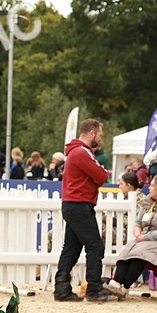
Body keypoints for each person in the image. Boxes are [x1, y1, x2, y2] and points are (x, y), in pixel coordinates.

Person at [103, 174, 157, 299]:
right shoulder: (150, 202)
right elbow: (138, 222)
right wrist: (138, 234)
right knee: (128, 249)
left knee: (141, 251)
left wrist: (146, 237)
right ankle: (115, 283)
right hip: (148, 238)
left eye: (152, 185)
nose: (148, 188)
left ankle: (125, 287)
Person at [55, 119, 113, 302]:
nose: (101, 140)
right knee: (95, 245)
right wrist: (98, 177)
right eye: (100, 136)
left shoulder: (74, 152)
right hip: (79, 205)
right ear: (92, 133)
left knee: (71, 248)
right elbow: (102, 175)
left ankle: (62, 288)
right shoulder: (82, 152)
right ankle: (94, 289)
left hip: (72, 204)